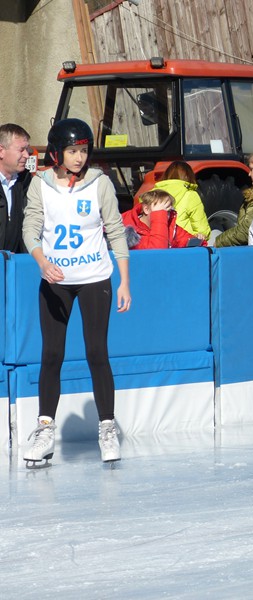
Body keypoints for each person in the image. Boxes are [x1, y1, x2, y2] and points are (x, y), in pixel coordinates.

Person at [21, 118, 132, 466]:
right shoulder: (40, 184)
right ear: (57, 152)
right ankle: (45, 431)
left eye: (83, 150)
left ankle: (107, 429)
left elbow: (116, 231)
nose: (79, 157)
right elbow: (30, 227)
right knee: (52, 354)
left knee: (97, 352)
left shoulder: (100, 183)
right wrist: (42, 262)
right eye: (72, 151)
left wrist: (124, 281)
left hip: (95, 278)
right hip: (55, 281)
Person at [122, 189, 206, 249]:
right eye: (161, 211)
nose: (165, 216)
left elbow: (188, 242)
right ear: (146, 209)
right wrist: (159, 216)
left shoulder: (171, 227)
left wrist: (197, 241)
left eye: (168, 211)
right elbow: (157, 253)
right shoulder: (127, 230)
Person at [152, 161, 211, 240]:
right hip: (183, 244)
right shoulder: (190, 195)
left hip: (156, 242)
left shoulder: (151, 195)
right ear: (188, 176)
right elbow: (203, 231)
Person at [0, 123, 33, 253]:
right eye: (21, 150)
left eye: (27, 150)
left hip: (17, 261)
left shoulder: (26, 182)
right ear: (1, 151)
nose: (27, 155)